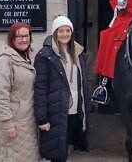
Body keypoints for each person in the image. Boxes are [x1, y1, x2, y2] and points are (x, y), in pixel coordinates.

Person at [34, 16, 90, 162]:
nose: (65, 34)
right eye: (61, 31)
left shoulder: (78, 53)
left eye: (68, 30)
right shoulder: (45, 56)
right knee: (57, 153)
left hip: (75, 108)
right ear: (54, 33)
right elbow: (40, 87)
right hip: (55, 110)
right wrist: (42, 118)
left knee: (68, 149)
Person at [0, 22, 40, 162]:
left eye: (27, 36)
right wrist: (7, 122)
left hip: (29, 119)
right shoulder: (5, 60)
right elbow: (0, 94)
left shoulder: (31, 56)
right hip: (14, 121)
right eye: (19, 36)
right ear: (11, 38)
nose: (24, 39)